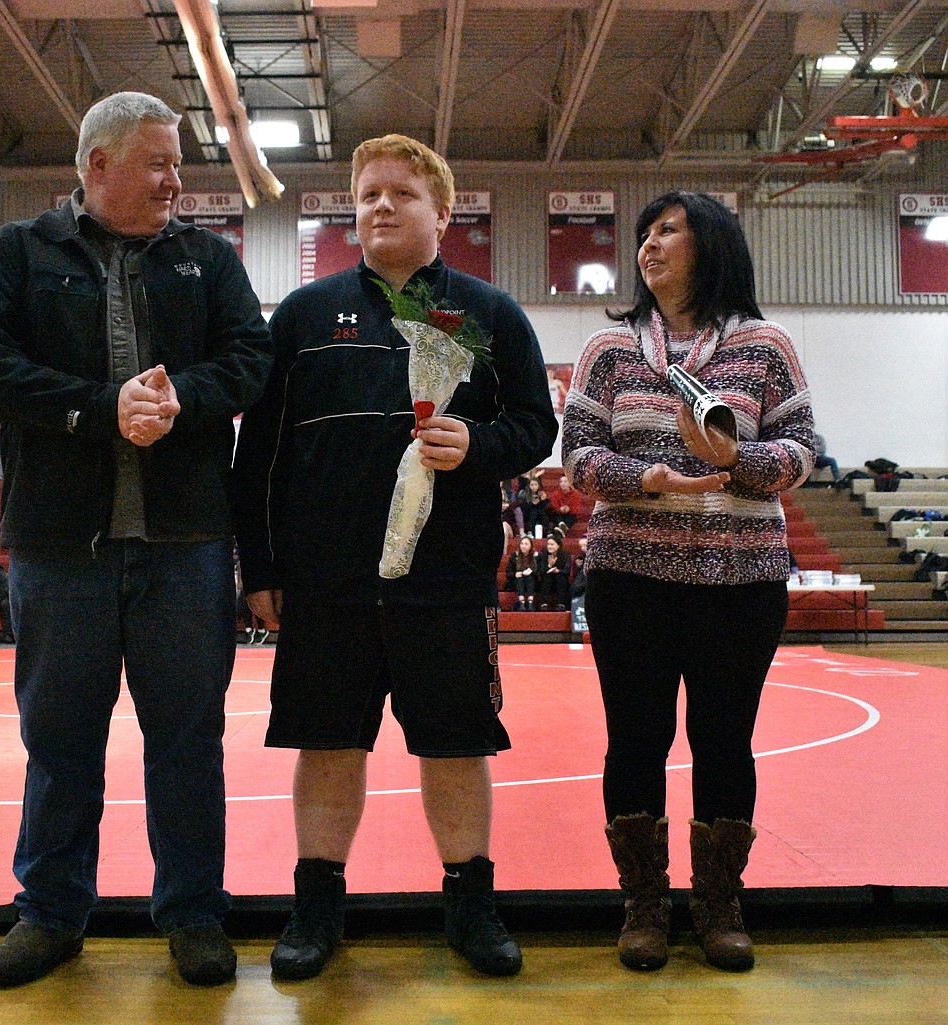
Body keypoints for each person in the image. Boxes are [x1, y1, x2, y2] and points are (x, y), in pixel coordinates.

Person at [0, 91, 272, 989]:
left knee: (187, 740)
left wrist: (183, 404)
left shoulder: (210, 260)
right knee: (58, 740)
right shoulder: (11, 254)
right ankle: (50, 913)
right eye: (161, 162)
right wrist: (102, 410)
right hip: (61, 549)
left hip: (188, 543)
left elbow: (251, 358)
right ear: (98, 167)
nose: (179, 179)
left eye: (179, 162)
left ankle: (195, 914)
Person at [233, 133, 558, 981]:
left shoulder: (490, 314)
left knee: (455, 745)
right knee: (328, 743)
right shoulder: (303, 316)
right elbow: (259, 451)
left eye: (402, 194)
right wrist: (260, 567)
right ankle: (315, 911)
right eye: (368, 193)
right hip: (325, 584)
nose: (381, 206)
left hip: (446, 582)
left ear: (442, 213)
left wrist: (478, 444)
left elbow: (535, 426)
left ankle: (471, 907)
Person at [561, 190, 815, 974]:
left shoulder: (767, 346)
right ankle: (644, 903)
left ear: (714, 244)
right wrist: (654, 479)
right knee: (635, 740)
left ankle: (716, 903)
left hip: (742, 577)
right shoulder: (609, 352)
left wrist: (739, 461)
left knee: (724, 740)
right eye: (645, 231)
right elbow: (576, 455)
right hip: (629, 576)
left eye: (669, 229)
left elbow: (804, 446)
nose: (650, 242)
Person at [536, 534, 571, 611]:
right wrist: (549, 565)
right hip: (547, 581)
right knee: (547, 576)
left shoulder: (565, 555)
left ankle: (561, 604)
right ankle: (543, 604)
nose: (549, 546)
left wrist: (558, 571)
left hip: (560, 581)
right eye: (548, 544)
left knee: (560, 576)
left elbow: (567, 571)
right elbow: (541, 571)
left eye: (552, 544)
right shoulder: (544, 554)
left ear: (558, 545)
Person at [505, 535, 539, 610]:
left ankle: (530, 601)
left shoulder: (536, 556)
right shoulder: (514, 556)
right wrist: (515, 574)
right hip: (517, 581)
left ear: (531, 546)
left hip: (532, 582)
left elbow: (539, 572)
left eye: (526, 544)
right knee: (520, 577)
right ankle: (521, 601)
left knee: (529, 577)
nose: (523, 546)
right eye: (522, 544)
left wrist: (531, 571)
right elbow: (508, 573)